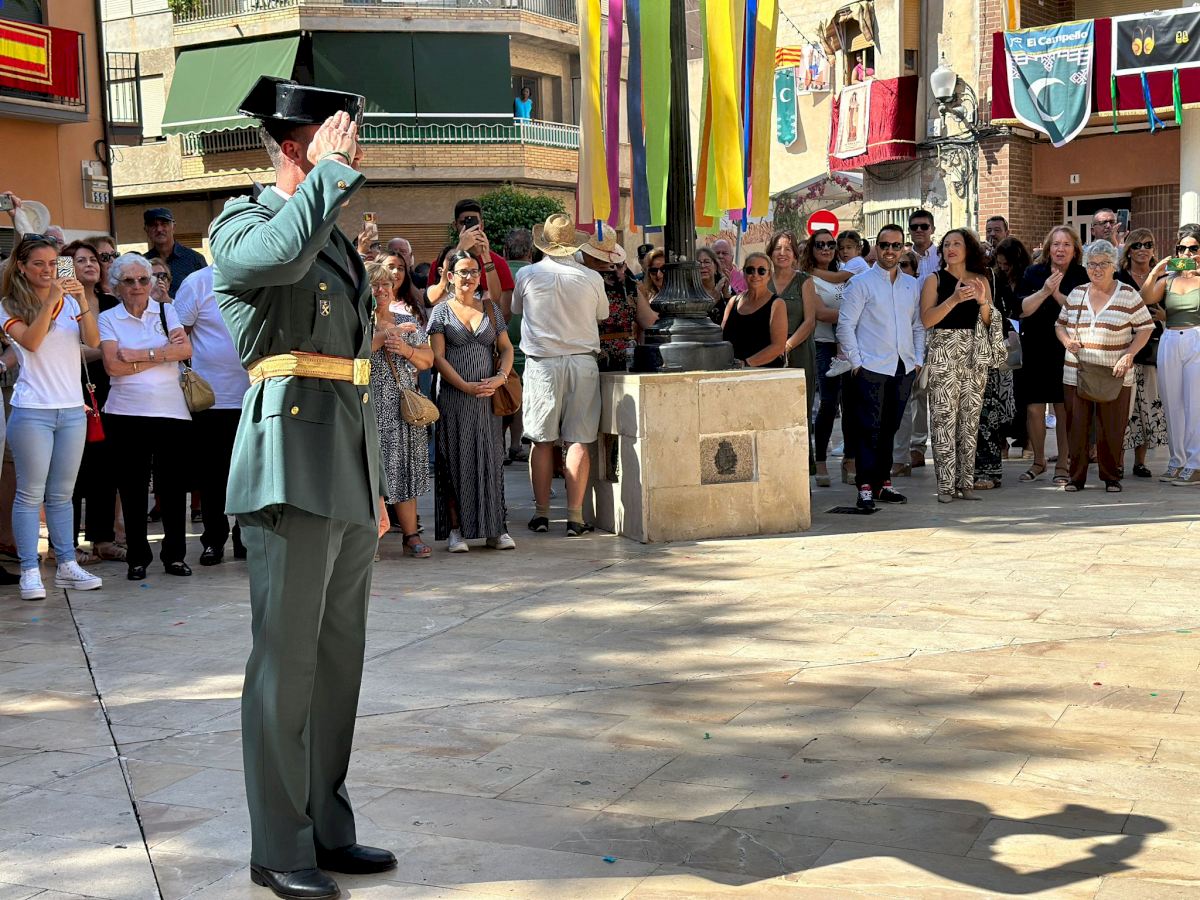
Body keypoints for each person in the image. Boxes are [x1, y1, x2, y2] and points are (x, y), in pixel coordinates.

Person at [210, 77, 396, 897]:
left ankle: (326, 827)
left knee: (336, 663)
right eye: (334, 139)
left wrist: (374, 485)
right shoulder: (241, 223)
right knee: (284, 668)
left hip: (345, 461)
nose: (351, 152)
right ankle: (278, 846)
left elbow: (353, 367)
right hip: (287, 457)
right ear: (296, 145)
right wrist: (329, 177)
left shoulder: (334, 237)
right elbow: (277, 258)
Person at [0, 235, 104, 600]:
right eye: (38, 264)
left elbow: (93, 341)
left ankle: (66, 564)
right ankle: (30, 569)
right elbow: (31, 342)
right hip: (32, 410)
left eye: (52, 263)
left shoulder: (70, 301)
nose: (47, 270)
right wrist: (51, 301)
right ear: (22, 268)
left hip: (72, 409)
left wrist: (82, 301)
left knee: (62, 494)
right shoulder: (7, 305)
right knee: (30, 494)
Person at [99, 254, 193, 580]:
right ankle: (137, 557)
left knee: (173, 488)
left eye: (143, 279)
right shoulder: (108, 318)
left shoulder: (167, 311)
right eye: (129, 281)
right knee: (132, 489)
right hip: (125, 412)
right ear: (116, 286)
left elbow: (185, 351)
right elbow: (113, 366)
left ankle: (175, 556)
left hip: (171, 411)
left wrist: (138, 355)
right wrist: (163, 354)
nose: (137, 286)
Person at [514, 215, 607, 536]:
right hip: (582, 362)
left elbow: (516, 309)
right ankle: (575, 517)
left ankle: (541, 514)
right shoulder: (592, 277)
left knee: (542, 441)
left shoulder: (527, 274)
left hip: (542, 363)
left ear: (543, 244)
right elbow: (603, 314)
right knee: (578, 439)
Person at [428, 249, 517, 549]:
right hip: (455, 397)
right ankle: (457, 530)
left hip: (488, 398)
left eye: (474, 271)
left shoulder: (490, 308)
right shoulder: (441, 312)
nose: (469, 277)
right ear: (450, 276)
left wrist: (501, 377)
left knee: (491, 460)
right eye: (463, 272)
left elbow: (506, 348)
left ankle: (496, 529)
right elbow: (438, 357)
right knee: (455, 459)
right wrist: (465, 386)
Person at [836, 225, 924, 511]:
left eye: (896, 246)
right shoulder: (861, 283)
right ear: (876, 247)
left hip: (903, 366)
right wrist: (857, 363)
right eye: (884, 245)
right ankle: (864, 486)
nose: (890, 251)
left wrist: (917, 359)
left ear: (903, 248)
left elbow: (918, 325)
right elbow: (845, 325)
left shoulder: (911, 285)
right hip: (870, 366)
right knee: (868, 429)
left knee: (890, 428)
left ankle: (883, 482)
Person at [1055, 240, 1153, 493]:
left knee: (1112, 427)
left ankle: (1111, 476)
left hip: (1115, 372)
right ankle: (1076, 478)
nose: (1097, 269)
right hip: (1077, 371)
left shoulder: (1128, 294)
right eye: (1092, 264)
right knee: (1077, 427)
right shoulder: (1077, 292)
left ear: (1114, 266)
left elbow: (1145, 328)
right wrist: (1066, 341)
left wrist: (1129, 355)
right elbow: (1060, 324)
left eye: (1103, 264)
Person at [173, 265, 250, 565]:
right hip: (211, 398)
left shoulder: (261, 276)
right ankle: (214, 540)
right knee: (212, 476)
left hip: (253, 395)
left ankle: (246, 539)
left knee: (249, 473)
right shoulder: (197, 282)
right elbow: (179, 336)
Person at [920, 229, 994, 502]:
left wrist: (982, 301)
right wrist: (953, 299)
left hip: (974, 352)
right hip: (944, 351)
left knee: (970, 421)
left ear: (968, 248)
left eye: (956, 244)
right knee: (943, 420)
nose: (950, 248)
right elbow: (927, 320)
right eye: (946, 244)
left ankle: (966, 483)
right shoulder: (935, 279)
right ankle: (945, 486)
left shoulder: (981, 279)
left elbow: (988, 322)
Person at [61, 240, 124, 563]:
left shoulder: (111, 302)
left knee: (106, 467)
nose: (90, 265)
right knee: (71, 470)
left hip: (110, 390)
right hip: (71, 390)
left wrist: (103, 351)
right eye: (80, 260)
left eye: (94, 260)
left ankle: (103, 539)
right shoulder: (59, 304)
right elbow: (64, 351)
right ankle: (65, 544)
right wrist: (106, 351)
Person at [366, 261, 434, 557]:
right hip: (368, 406)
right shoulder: (355, 322)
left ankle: (410, 535)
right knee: (369, 473)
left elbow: (428, 360)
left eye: (386, 284)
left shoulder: (406, 320)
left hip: (402, 405)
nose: (381, 290)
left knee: (405, 470)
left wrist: (405, 349)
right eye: (374, 285)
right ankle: (368, 539)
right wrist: (383, 337)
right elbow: (353, 354)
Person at [1017, 226, 1089, 485]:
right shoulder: (1033, 273)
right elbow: (1021, 310)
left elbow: (1081, 312)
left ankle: (1062, 463)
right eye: (1056, 244)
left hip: (1066, 347)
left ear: (1075, 250)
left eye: (1066, 244)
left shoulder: (1081, 275)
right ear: (1048, 248)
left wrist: (1057, 294)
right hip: (1035, 346)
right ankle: (1038, 461)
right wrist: (1045, 290)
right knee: (1034, 409)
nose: (1060, 249)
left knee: (1063, 408)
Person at [1141, 226, 1200, 485]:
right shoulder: (1169, 279)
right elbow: (1144, 298)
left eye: (1193, 248)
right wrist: (1156, 271)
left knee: (1194, 403)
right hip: (1170, 339)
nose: (1187, 253)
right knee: (1171, 403)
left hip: (1196, 337)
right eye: (1182, 248)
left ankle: (1196, 463)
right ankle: (1177, 461)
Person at [804, 230, 855, 486]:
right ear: (811, 249)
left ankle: (850, 459)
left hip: (849, 344)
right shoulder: (807, 279)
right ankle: (821, 460)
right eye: (820, 244)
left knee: (852, 403)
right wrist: (852, 314)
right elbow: (821, 313)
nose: (826, 248)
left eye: (830, 244)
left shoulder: (845, 273)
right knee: (828, 403)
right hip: (823, 344)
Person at [1116, 229, 1166, 478]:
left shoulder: (1164, 278)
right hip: (1124, 348)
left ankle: (1140, 462)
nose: (1143, 249)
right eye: (1137, 245)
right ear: (1128, 250)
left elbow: (1176, 308)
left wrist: (1166, 316)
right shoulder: (1118, 278)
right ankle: (1117, 462)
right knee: (1123, 408)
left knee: (1147, 406)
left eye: (1148, 244)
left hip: (1153, 349)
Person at [893, 209, 939, 474]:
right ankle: (911, 450)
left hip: (937, 331)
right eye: (914, 227)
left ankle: (919, 447)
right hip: (909, 332)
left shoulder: (942, 256)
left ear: (932, 228)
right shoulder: (903, 258)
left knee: (926, 393)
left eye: (924, 226)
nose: (919, 231)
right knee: (910, 392)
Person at [427, 199, 514, 310]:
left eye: (474, 222)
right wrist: (460, 250)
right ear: (455, 225)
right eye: (463, 223)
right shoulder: (441, 263)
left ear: (481, 225)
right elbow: (432, 300)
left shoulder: (498, 263)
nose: (469, 228)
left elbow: (502, 308)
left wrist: (486, 257)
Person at [992, 237, 1032, 461]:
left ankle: (1027, 440)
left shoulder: (1028, 277)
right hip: (1005, 340)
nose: (1003, 267)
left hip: (1027, 340)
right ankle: (1002, 442)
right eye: (1000, 263)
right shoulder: (996, 279)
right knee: (1002, 394)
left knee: (1024, 395)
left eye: (1007, 264)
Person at [580, 231, 638, 372]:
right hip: (626, 354)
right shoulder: (628, 283)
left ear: (587, 255)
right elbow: (648, 320)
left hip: (592, 354)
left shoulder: (582, 280)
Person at [721, 252, 787, 368]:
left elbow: (778, 346)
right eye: (750, 270)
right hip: (732, 371)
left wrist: (746, 363)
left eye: (761, 271)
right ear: (744, 273)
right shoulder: (733, 302)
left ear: (769, 275)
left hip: (765, 373)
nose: (755, 275)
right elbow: (721, 339)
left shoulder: (777, 304)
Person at [501, 228, 533, 464]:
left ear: (504, 250)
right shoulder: (535, 274)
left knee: (503, 396)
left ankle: (500, 446)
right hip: (528, 348)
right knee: (519, 398)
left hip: (502, 346)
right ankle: (515, 444)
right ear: (530, 251)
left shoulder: (499, 272)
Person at [143, 207, 206, 298]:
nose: (159, 229)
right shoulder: (143, 262)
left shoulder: (194, 259)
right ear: (146, 230)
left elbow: (207, 293)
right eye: (153, 225)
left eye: (164, 224)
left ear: (173, 227)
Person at [695, 246, 730, 323]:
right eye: (698, 263)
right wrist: (714, 298)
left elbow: (735, 319)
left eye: (707, 262)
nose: (702, 266)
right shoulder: (690, 293)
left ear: (716, 267)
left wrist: (726, 294)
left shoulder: (726, 288)